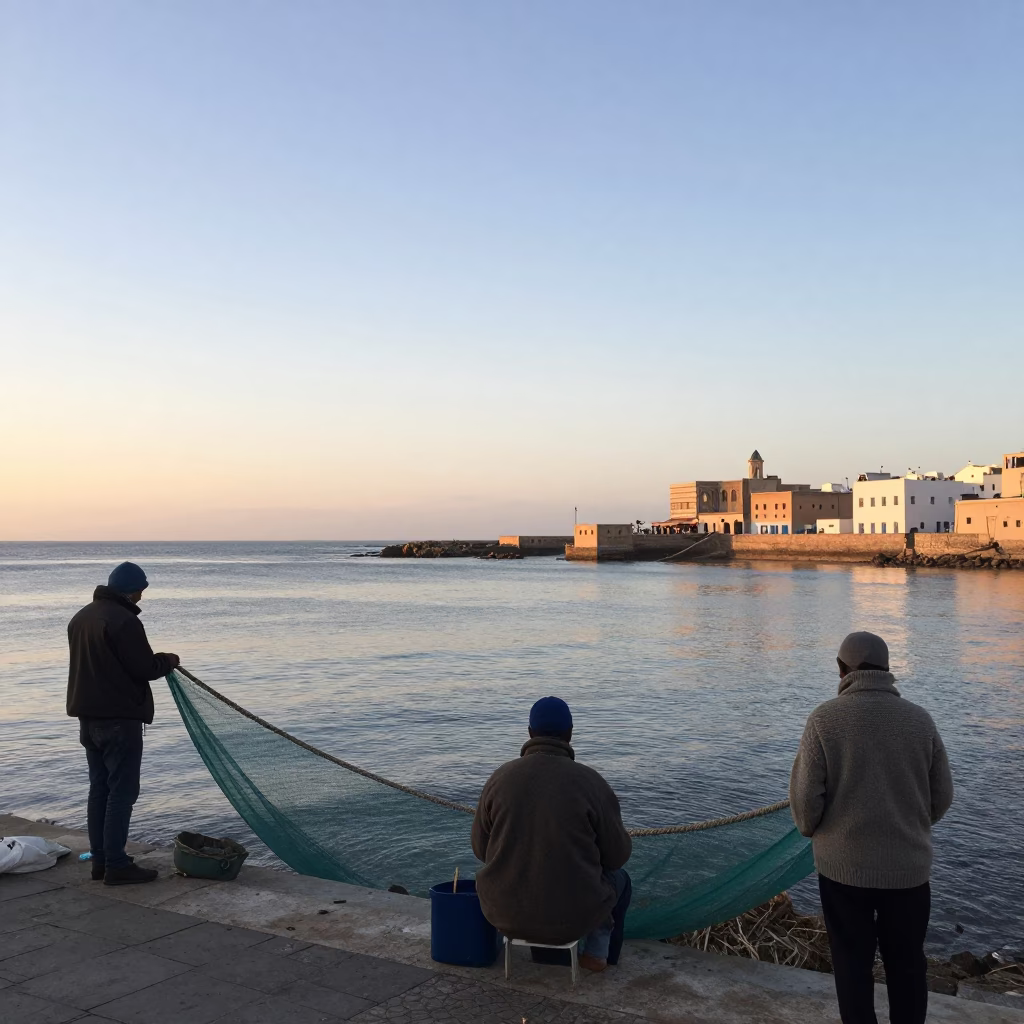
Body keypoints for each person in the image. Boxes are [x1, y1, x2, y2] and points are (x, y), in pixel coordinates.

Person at [790, 631, 954, 1024]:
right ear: (887, 669)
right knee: (908, 965)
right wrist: (910, 824)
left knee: (851, 964)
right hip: (908, 869)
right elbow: (942, 795)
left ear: (841, 669)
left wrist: (814, 830)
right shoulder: (920, 720)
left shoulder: (824, 719)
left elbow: (805, 802)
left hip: (843, 869)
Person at [471, 696, 632, 972]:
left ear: (530, 733)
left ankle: (545, 955)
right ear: (570, 733)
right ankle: (598, 955)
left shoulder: (499, 779)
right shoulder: (591, 783)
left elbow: (480, 849)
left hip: (503, 912)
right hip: (571, 917)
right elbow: (617, 856)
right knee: (620, 881)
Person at [67, 562, 180, 885]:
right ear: (132, 591)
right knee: (122, 791)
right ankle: (117, 864)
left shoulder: (82, 617)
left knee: (99, 788)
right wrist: (168, 660)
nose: (143, 595)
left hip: (88, 718)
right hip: (119, 719)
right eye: (142, 589)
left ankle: (100, 861)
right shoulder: (124, 620)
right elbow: (144, 668)